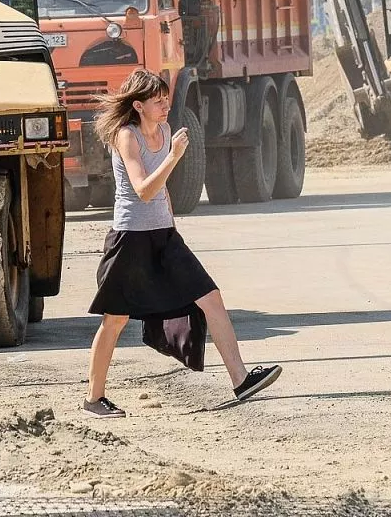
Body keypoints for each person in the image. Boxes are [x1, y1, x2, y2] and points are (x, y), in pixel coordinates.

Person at [82, 69, 281, 417]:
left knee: (211, 298)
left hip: (164, 236)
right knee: (114, 319)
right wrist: (172, 157)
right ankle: (94, 399)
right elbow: (143, 190)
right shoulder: (126, 136)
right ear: (139, 105)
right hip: (130, 238)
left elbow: (163, 192)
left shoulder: (166, 131)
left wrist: (172, 228)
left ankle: (241, 379)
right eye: (158, 101)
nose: (165, 105)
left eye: (165, 98)